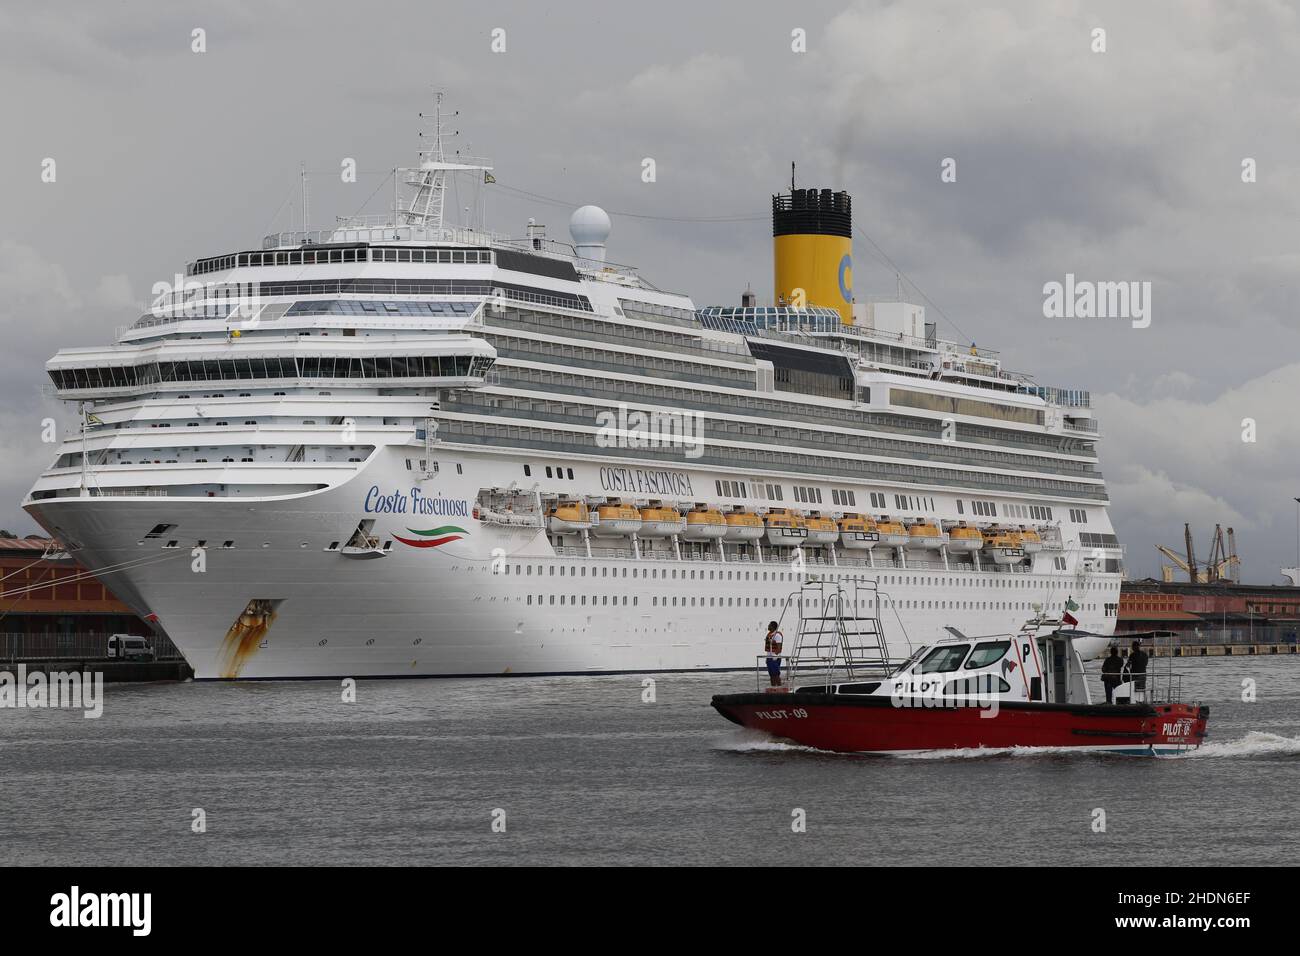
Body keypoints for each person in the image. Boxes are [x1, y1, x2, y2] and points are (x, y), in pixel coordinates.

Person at [764, 621, 784, 688]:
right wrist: (767, 658)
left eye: (769, 625)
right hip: (769, 657)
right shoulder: (770, 634)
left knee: (776, 674)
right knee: (771, 674)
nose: (768, 626)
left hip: (774, 657)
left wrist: (775, 657)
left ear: (772, 626)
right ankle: (773, 687)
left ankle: (779, 687)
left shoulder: (777, 635)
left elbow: (779, 647)